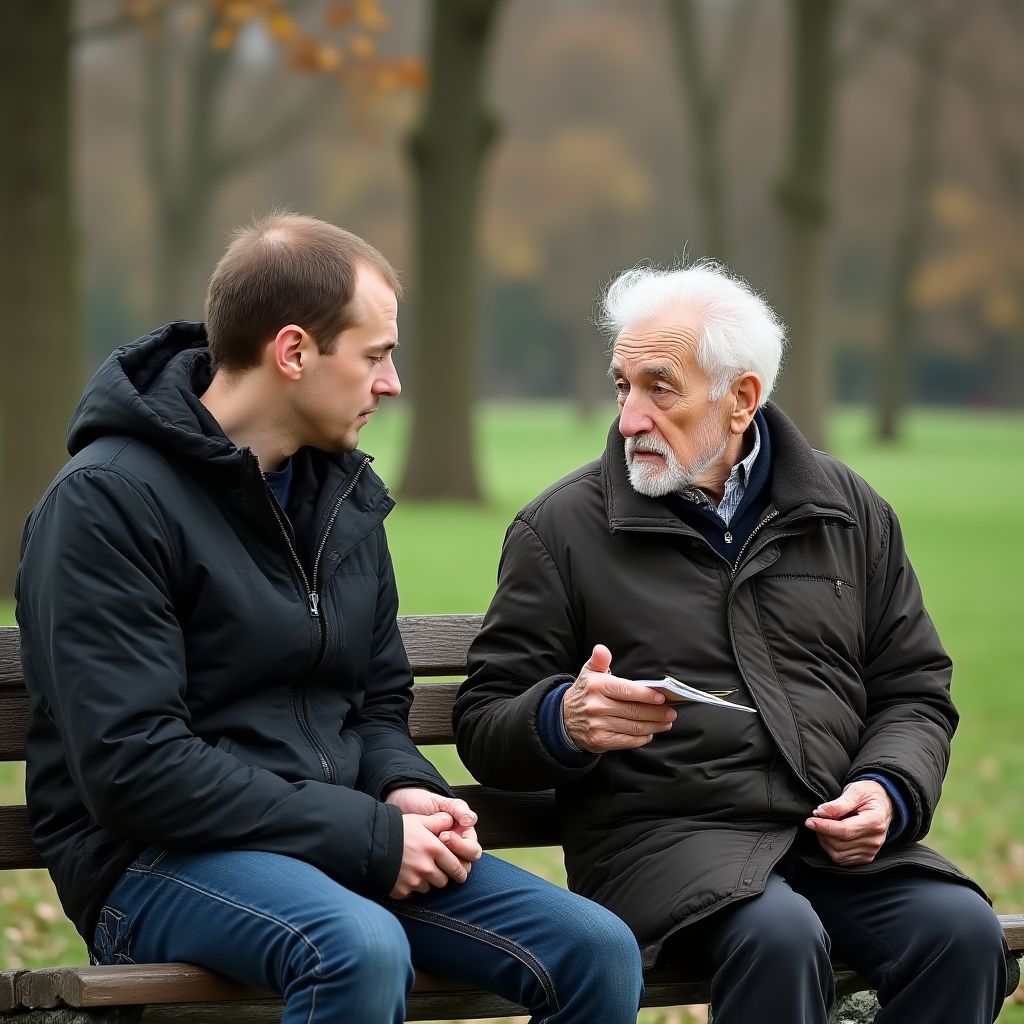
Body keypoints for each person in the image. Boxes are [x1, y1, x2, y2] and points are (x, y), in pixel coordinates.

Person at [16, 213, 643, 1024]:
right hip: (154, 862)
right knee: (355, 946)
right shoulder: (106, 504)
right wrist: (368, 837)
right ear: (293, 352)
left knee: (596, 950)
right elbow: (135, 768)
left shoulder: (339, 497)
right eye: (375, 355)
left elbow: (376, 702)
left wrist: (403, 788)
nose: (393, 383)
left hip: (334, 838)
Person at [453, 261, 1011, 1023]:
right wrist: (563, 718)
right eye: (622, 387)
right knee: (779, 937)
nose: (630, 418)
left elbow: (913, 689)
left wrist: (887, 788)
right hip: (660, 845)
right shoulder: (560, 528)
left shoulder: (848, 511)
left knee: (965, 935)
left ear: (742, 399)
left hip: (826, 838)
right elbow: (485, 720)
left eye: (660, 389)